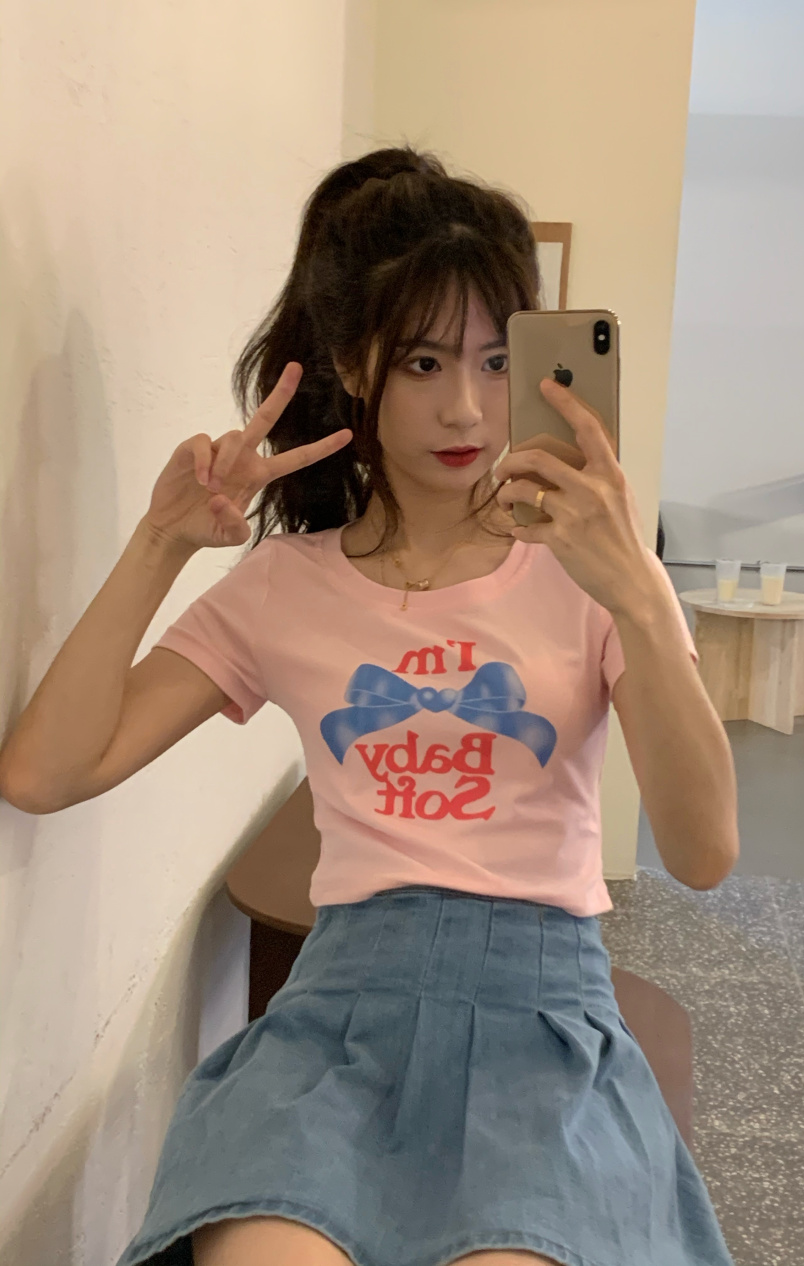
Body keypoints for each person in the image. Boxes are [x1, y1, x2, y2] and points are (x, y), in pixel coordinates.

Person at [0, 147, 738, 1266]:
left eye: (496, 361)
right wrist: (160, 543)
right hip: (340, 1021)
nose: (464, 406)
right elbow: (44, 773)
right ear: (353, 362)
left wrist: (636, 592)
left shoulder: (594, 575)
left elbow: (702, 851)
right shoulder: (283, 585)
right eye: (424, 361)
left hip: (543, 1022)